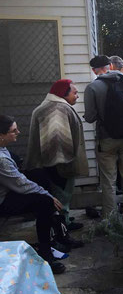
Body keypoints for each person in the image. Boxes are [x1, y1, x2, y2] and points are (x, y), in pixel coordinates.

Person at [0, 115, 66, 274]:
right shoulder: (1, 159)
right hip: (2, 201)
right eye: (13, 130)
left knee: (39, 175)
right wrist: (48, 196)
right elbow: (20, 184)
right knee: (44, 202)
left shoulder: (3, 149)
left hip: (7, 190)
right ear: (1, 136)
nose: (18, 132)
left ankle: (58, 231)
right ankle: (46, 256)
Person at [25, 79, 88, 232]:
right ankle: (62, 228)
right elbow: (56, 143)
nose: (77, 96)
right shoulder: (56, 110)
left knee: (60, 197)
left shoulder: (54, 106)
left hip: (52, 164)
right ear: (63, 94)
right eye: (75, 93)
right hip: (58, 165)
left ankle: (64, 220)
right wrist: (62, 167)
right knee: (60, 196)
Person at [84, 55, 123, 218]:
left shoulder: (93, 88)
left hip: (106, 140)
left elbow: (91, 116)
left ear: (94, 70)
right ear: (110, 66)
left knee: (109, 181)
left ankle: (110, 219)